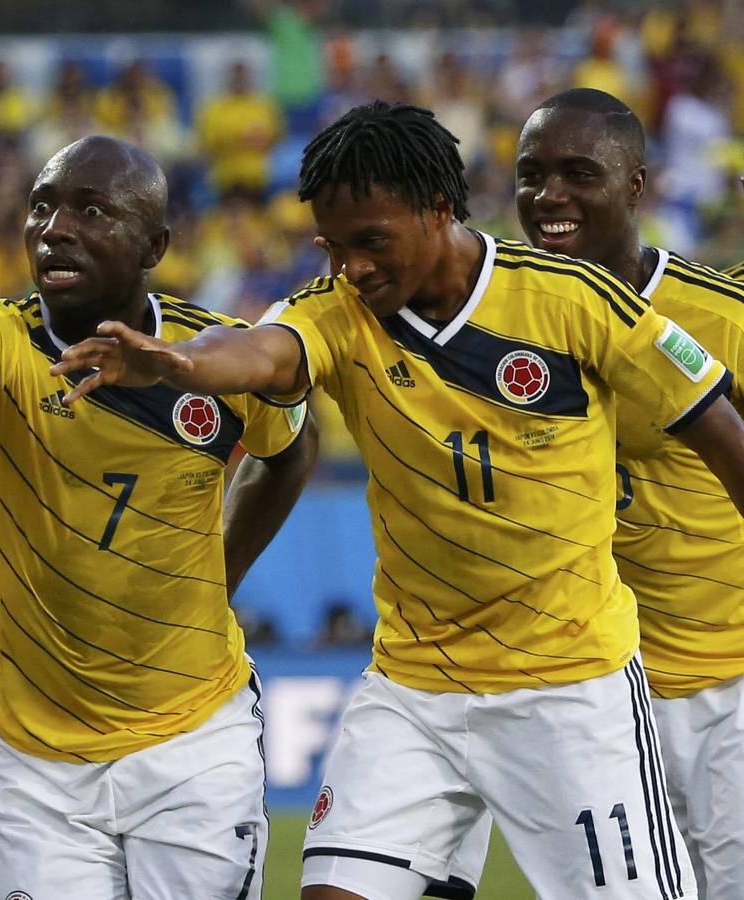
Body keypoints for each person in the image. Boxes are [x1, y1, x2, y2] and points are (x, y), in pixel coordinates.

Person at [51, 101, 744, 900]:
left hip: (568, 686)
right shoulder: (338, 315)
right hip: (414, 684)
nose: (352, 268)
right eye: (334, 248)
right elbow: (259, 348)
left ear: (438, 211)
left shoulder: (572, 301)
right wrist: (178, 364)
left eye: (371, 243)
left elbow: (722, 437)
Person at [0, 134, 318, 899]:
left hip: (192, 746)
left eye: (91, 210)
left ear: (154, 244)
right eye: (41, 207)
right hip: (41, 768)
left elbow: (288, 453)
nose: (54, 228)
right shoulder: (5, 344)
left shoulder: (208, 359)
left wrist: (223, 571)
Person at [515, 87, 744, 898]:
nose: (551, 197)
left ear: (637, 186)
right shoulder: (503, 321)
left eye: (578, 173)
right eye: (531, 174)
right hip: (598, 698)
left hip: (726, 689)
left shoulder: (720, 317)